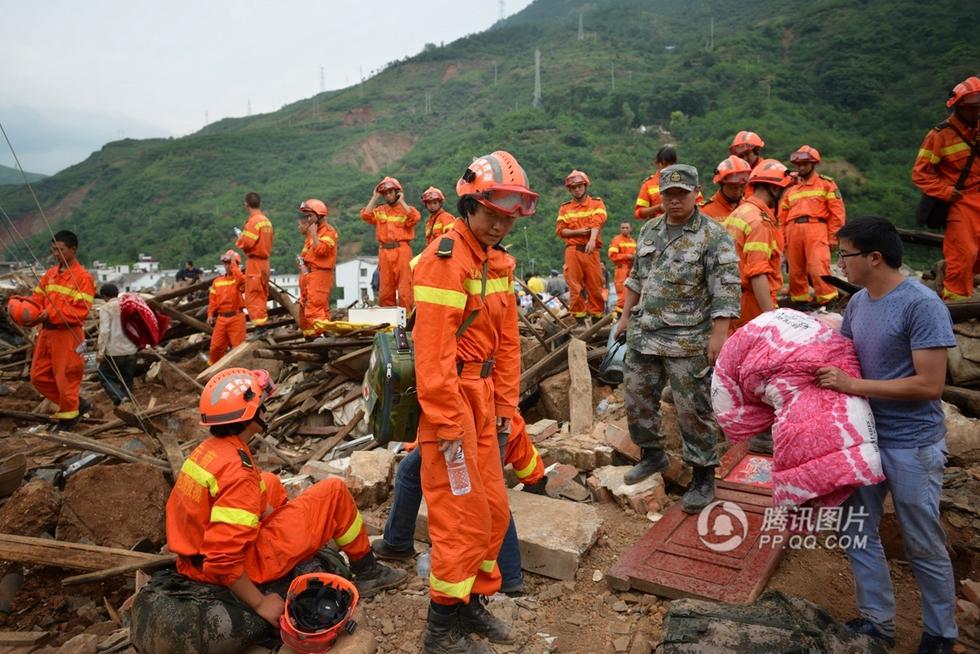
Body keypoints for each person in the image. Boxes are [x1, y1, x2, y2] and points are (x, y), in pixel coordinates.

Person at [411, 150, 537, 652]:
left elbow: (508, 344)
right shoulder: (446, 258)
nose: (500, 226)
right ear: (469, 205)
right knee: (459, 519)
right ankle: (440, 631)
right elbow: (433, 353)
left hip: (484, 400)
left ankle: (472, 604)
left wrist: (506, 409)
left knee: (492, 513)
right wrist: (445, 423)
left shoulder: (498, 261)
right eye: (492, 215)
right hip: (452, 403)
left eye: (508, 218)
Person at [815, 216, 958, 654]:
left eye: (846, 255)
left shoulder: (921, 304)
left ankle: (940, 632)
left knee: (921, 537)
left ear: (873, 258)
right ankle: (878, 621)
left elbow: (929, 384)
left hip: (913, 443)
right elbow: (844, 357)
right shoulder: (859, 304)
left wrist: (853, 386)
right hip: (866, 439)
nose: (841, 262)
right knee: (857, 529)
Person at [166, 367, 406, 628]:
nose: (265, 408)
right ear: (250, 415)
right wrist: (260, 603)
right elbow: (223, 561)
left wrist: (275, 518)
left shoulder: (209, 451)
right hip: (235, 566)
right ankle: (368, 570)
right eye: (260, 404)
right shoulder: (238, 475)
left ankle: (290, 536)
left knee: (269, 483)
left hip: (191, 559)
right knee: (333, 492)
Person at [614, 164, 740, 512]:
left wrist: (719, 336)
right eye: (668, 195)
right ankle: (652, 454)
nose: (674, 201)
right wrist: (625, 317)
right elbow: (636, 279)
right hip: (645, 334)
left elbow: (726, 290)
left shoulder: (713, 235)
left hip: (688, 339)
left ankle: (702, 477)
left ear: (696, 193)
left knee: (692, 410)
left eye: (681, 194)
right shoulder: (650, 231)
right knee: (637, 398)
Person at [372, 412, 546, 595]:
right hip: (465, 424)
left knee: (491, 502)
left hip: (467, 427)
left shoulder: (506, 423)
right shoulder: (512, 422)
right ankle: (397, 543)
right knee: (410, 472)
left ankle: (509, 580)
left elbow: (529, 464)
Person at [912, 75, 980, 301]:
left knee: (975, 256)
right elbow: (920, 173)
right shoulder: (939, 136)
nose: (977, 112)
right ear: (959, 107)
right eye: (972, 108)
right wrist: (946, 191)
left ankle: (947, 270)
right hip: (961, 202)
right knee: (964, 253)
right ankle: (955, 303)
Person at [29, 230, 96, 431]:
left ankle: (68, 419)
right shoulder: (50, 275)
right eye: (53, 250)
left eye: (60, 249)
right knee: (38, 376)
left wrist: (50, 314)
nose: (56, 254)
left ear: (73, 249)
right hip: (46, 333)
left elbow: (80, 310)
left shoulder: (83, 278)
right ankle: (75, 404)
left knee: (66, 377)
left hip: (68, 334)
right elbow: (36, 299)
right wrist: (28, 312)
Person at [723, 159, 792, 331]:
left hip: (730, 299)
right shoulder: (759, 222)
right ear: (775, 189)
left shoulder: (738, 213)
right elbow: (757, 273)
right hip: (750, 303)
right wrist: (770, 318)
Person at [780, 145, 846, 307]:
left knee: (818, 268)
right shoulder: (791, 190)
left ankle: (829, 301)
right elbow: (781, 218)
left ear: (813, 164)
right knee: (795, 271)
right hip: (793, 231)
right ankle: (800, 303)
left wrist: (833, 238)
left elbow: (837, 214)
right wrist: (783, 241)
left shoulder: (826, 184)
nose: (801, 167)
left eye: (805, 164)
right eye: (799, 164)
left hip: (817, 229)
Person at [360, 176, 420, 308]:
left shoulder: (406, 210)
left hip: (402, 250)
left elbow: (415, 218)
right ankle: (389, 321)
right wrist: (375, 197)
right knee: (386, 289)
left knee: (405, 288)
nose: (388, 195)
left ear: (397, 192)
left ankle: (407, 319)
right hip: (384, 252)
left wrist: (402, 201)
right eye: (385, 193)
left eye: (390, 192)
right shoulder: (380, 210)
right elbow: (365, 215)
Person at [556, 169, 607, 323]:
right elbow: (560, 230)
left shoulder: (597, 203)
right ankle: (578, 319)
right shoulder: (565, 208)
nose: (577, 189)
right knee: (575, 287)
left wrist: (591, 239)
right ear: (570, 190)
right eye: (573, 187)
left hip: (591, 251)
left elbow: (597, 222)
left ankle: (597, 319)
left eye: (579, 186)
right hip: (573, 251)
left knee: (595, 286)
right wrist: (578, 232)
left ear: (585, 186)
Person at [296, 199, 337, 337]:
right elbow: (307, 254)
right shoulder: (311, 234)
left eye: (310, 216)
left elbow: (322, 251)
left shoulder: (329, 231)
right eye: (306, 216)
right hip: (309, 275)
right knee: (306, 309)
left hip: (320, 275)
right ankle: (312, 337)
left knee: (313, 309)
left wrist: (313, 233)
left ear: (319, 215)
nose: (308, 219)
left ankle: (323, 336)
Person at [235, 192, 274, 329]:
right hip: (265, 263)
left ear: (246, 204)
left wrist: (240, 237)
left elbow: (247, 243)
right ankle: (262, 325)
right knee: (262, 295)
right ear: (260, 203)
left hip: (255, 263)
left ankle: (260, 328)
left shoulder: (253, 222)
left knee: (253, 297)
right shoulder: (266, 221)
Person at [96, 283, 138, 406]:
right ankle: (128, 406)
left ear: (104, 296)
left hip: (114, 351)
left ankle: (120, 399)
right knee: (127, 379)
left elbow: (104, 331)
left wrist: (100, 352)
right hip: (130, 350)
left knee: (104, 375)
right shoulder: (127, 306)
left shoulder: (106, 308)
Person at [207, 250, 246, 365]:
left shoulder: (238, 279)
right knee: (215, 348)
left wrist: (234, 265)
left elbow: (242, 281)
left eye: (229, 263)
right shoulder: (217, 282)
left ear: (236, 264)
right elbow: (212, 301)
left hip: (236, 318)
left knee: (238, 349)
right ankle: (212, 372)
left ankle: (238, 373)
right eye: (225, 263)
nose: (227, 265)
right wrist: (210, 315)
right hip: (221, 319)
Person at [701, 155, 753, 222]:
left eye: (742, 186)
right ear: (721, 183)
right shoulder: (705, 211)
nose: (737, 191)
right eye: (732, 186)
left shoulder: (749, 208)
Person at [633, 145, 678, 220]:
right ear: (657, 163)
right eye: (665, 164)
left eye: (672, 164)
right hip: (658, 228)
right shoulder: (649, 185)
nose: (668, 168)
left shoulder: (686, 180)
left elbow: (699, 204)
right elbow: (639, 212)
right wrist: (658, 207)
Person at [607, 222, 637, 314]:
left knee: (632, 293)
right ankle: (620, 315)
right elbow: (612, 256)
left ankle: (629, 315)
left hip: (632, 270)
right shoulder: (616, 240)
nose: (624, 229)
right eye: (622, 228)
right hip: (621, 269)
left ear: (630, 229)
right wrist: (627, 256)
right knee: (622, 295)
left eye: (626, 228)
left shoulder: (633, 242)